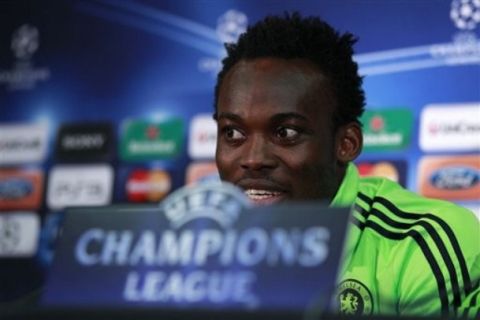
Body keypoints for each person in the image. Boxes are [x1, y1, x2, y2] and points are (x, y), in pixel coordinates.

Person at [213, 12, 480, 318]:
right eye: (232, 133)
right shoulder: (182, 248)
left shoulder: (422, 242)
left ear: (346, 143)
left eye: (286, 132)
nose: (252, 159)